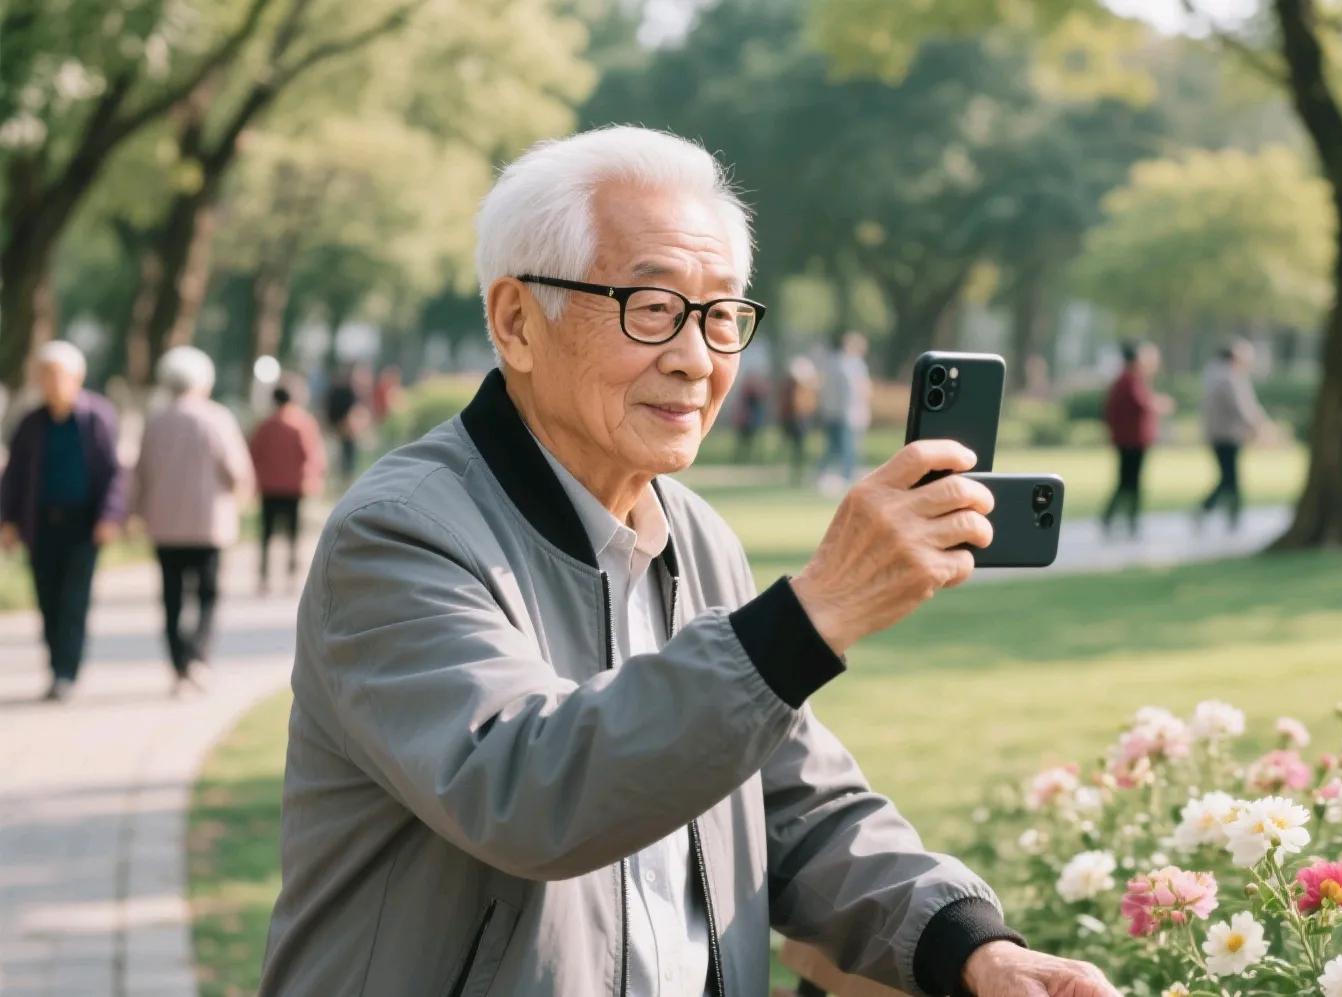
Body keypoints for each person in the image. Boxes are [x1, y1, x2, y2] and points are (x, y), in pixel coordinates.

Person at [261, 127, 1115, 997]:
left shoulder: (698, 537)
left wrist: (968, 944)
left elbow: (794, 805)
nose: (697, 360)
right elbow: (524, 789)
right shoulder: (400, 535)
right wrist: (816, 610)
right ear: (517, 322)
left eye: (719, 316)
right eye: (653, 307)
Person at [0, 342, 125, 702]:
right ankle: (56, 665)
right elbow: (14, 475)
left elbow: (114, 472)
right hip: (40, 524)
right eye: (44, 375)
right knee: (47, 598)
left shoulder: (96, 417)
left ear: (77, 378)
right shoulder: (30, 423)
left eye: (57, 375)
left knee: (74, 599)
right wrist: (8, 520)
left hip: (84, 525)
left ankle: (66, 672)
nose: (50, 382)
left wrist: (109, 517)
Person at [132, 346, 254, 695]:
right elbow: (236, 471)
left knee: (171, 597)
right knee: (207, 595)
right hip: (208, 527)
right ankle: (198, 657)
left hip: (165, 527)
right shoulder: (217, 418)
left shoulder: (155, 421)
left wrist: (136, 512)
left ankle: (178, 663)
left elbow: (140, 473)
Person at [249, 384, 327, 594]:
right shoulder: (302, 424)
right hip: (294, 487)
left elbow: (254, 453)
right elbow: (312, 455)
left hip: (269, 486)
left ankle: (264, 576)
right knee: (293, 533)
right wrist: (314, 479)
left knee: (266, 533)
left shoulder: (265, 425)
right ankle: (291, 574)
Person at [1100, 341, 1171, 538]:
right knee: (1129, 482)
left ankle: (1120, 517)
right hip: (1132, 441)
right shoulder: (1129, 380)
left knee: (1127, 481)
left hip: (1131, 440)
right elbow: (1143, 404)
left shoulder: (1129, 380)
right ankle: (1127, 518)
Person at [1196, 339, 1268, 532]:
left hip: (1221, 434)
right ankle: (1225, 514)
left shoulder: (1217, 374)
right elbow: (1243, 408)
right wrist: (1259, 426)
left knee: (1229, 477)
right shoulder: (1229, 377)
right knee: (1230, 478)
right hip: (1227, 435)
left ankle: (1226, 514)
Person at [815, 330, 872, 493]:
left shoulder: (837, 363)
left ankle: (828, 474)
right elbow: (861, 390)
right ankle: (843, 478)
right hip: (846, 413)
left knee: (837, 447)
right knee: (846, 448)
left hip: (838, 412)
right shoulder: (851, 365)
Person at [777, 354, 820, 484]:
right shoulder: (792, 386)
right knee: (797, 448)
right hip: (795, 420)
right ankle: (796, 473)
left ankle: (798, 473)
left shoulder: (802, 387)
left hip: (800, 419)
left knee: (799, 449)